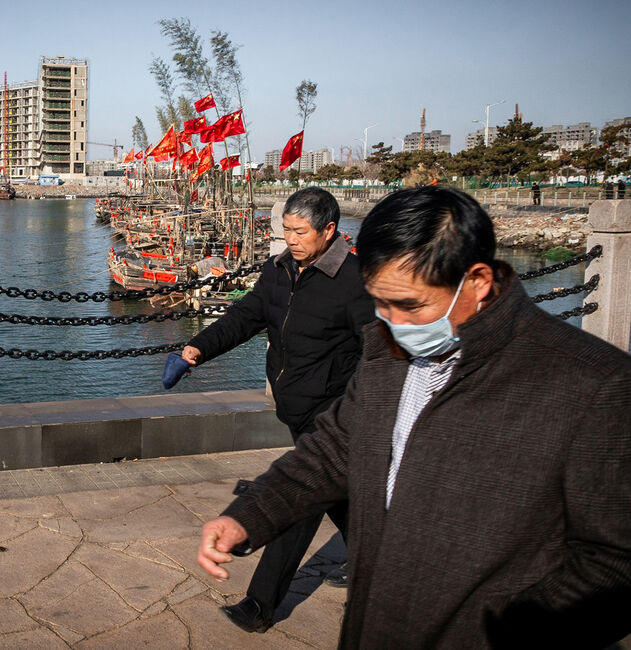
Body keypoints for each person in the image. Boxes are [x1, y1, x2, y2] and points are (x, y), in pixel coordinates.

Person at [198, 186, 631, 649]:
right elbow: (332, 451)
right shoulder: (387, 350)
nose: (391, 323)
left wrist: (496, 633)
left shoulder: (594, 385)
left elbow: (615, 563)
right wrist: (250, 515)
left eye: (411, 305)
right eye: (380, 303)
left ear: (478, 281)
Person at [181, 187, 374, 632]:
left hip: (334, 414)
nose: (291, 238)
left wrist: (359, 412)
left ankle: (260, 605)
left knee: (299, 499)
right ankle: (376, 562)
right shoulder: (279, 269)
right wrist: (197, 348)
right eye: (286, 229)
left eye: (300, 231)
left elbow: (377, 355)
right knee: (338, 495)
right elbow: (246, 316)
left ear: (329, 230)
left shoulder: (353, 281)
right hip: (295, 407)